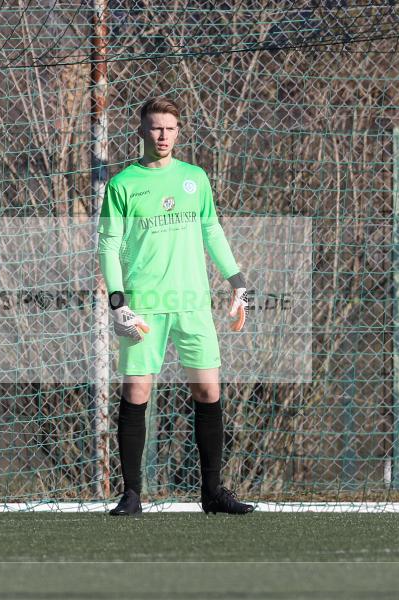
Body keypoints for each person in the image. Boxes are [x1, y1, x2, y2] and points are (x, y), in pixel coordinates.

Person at [97, 96, 255, 516]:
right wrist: (117, 302)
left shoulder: (194, 178)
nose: (162, 135)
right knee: (136, 391)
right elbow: (108, 246)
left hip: (193, 303)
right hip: (144, 304)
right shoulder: (123, 184)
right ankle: (132, 494)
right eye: (155, 127)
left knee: (208, 390)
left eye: (169, 128)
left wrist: (236, 280)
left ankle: (212, 493)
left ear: (178, 132)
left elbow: (211, 229)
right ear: (141, 131)